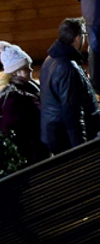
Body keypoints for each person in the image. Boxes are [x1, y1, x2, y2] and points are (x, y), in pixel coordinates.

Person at [41, 17, 100, 153]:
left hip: (54, 133)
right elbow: (72, 112)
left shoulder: (50, 59)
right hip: (65, 139)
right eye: (84, 35)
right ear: (77, 38)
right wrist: (80, 149)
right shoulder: (68, 67)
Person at [0, 41, 49, 166]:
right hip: (28, 154)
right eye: (26, 68)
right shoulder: (13, 98)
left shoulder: (29, 87)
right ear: (15, 72)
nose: (31, 69)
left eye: (29, 66)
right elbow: (13, 130)